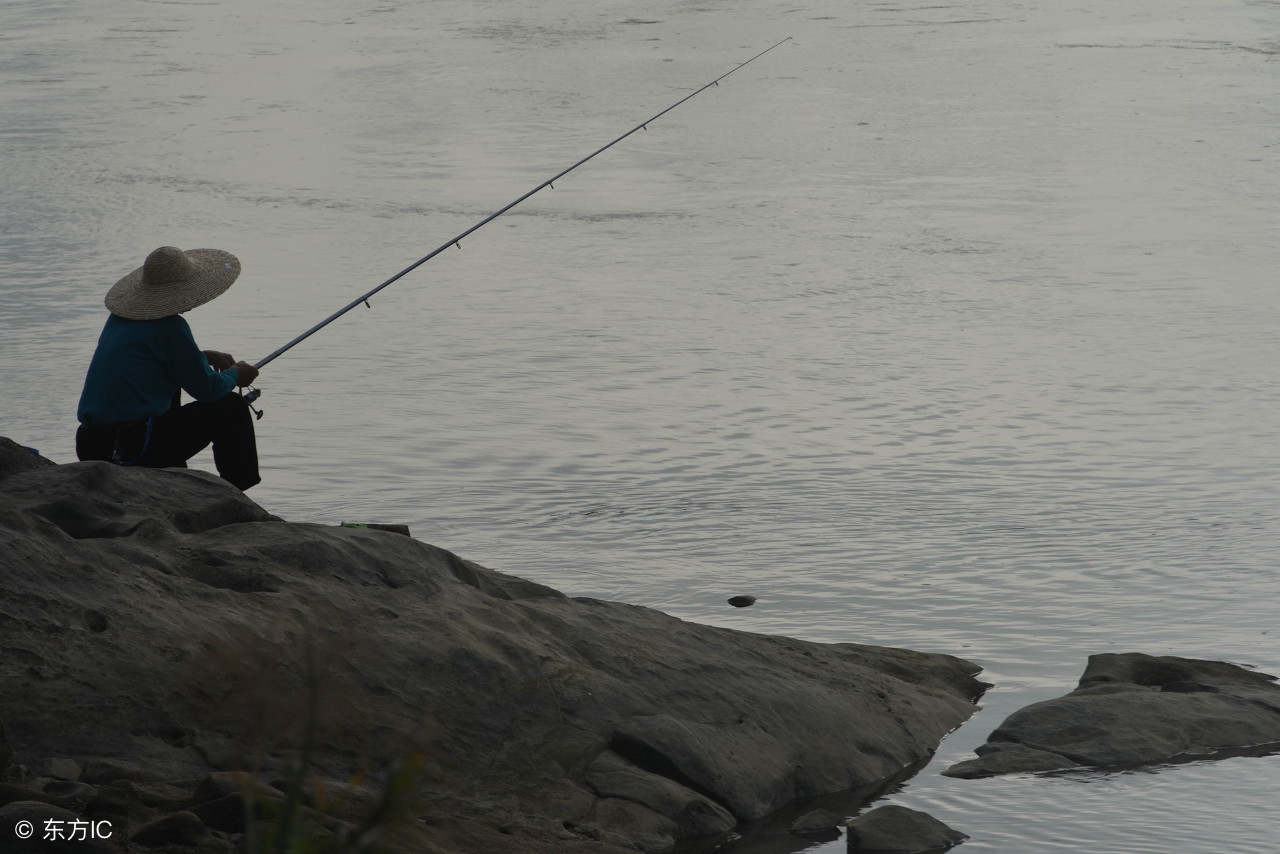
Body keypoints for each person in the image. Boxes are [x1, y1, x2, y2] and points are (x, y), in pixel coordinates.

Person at [76, 245, 262, 490]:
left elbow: (148, 364)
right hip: (135, 445)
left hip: (93, 443)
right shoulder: (170, 327)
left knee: (169, 388)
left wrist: (201, 356)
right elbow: (208, 390)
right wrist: (236, 374)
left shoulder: (118, 320)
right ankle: (237, 491)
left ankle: (175, 470)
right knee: (231, 407)